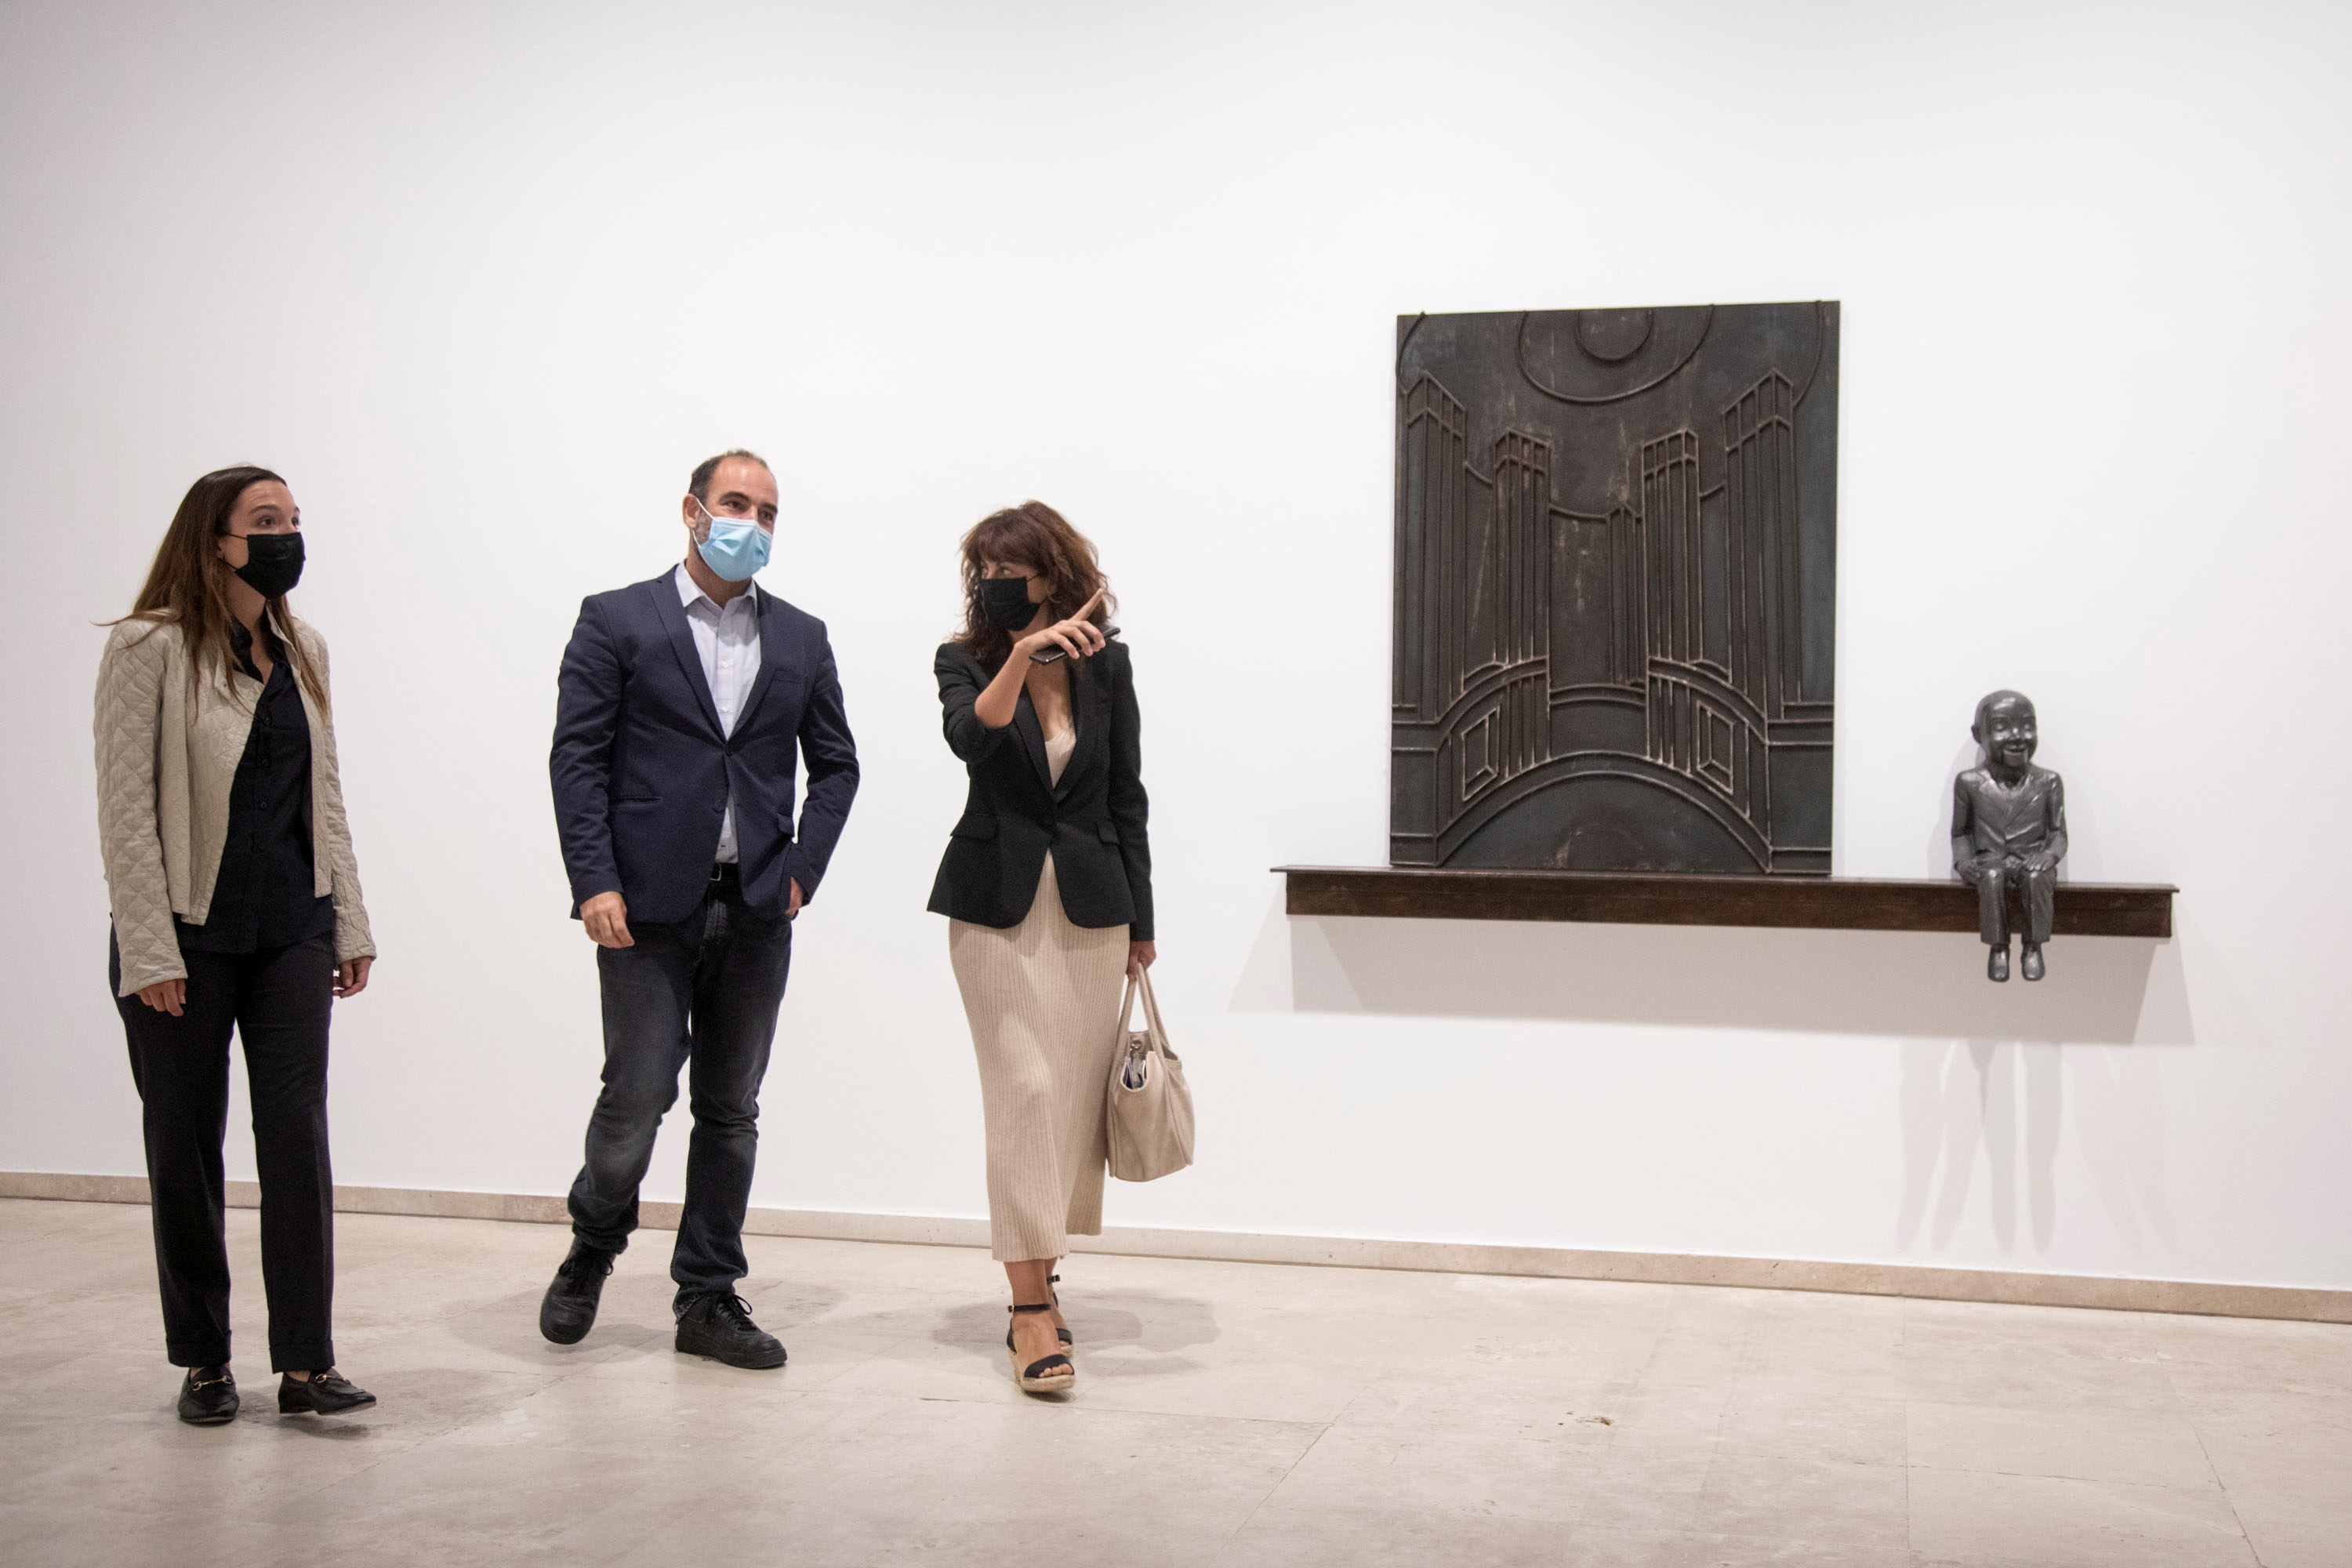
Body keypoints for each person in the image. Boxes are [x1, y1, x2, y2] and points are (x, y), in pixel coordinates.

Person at [541, 448, 858, 1369]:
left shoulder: (801, 636)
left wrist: (801, 869)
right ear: (692, 509)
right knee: (637, 1095)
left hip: (756, 906)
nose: (751, 522)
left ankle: (708, 1296)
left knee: (731, 1109)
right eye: (735, 503)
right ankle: (594, 1241)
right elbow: (577, 758)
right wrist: (594, 880)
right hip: (644, 906)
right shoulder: (616, 618)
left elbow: (838, 765)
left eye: (767, 511)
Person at [94, 466, 379, 1425]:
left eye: (293, 518)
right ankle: (205, 1359)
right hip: (185, 935)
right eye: (265, 520)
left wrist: (349, 920)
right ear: (215, 539)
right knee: (185, 1144)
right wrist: (148, 948)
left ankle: (306, 1362)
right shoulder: (149, 646)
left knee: (297, 1138)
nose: (286, 535)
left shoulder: (305, 648)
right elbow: (126, 809)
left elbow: (325, 797)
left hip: (292, 928)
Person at [928, 502, 1155, 1395]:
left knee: (1063, 1107)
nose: (994, 582)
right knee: (1022, 1089)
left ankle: (1044, 1277)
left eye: (1009, 569)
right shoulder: (965, 659)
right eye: (983, 569)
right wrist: (1022, 655)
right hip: (995, 910)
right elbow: (971, 740)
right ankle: (1028, 1311)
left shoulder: (1110, 667)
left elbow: (1127, 795)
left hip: (1093, 910)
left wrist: (1143, 922)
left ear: (1053, 572)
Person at [1951, 689, 2067, 982]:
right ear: (1978, 734)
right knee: (1992, 877)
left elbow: (2058, 833)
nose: (2017, 736)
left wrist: (2049, 855)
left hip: (2032, 860)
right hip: (1991, 862)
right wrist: (1963, 862)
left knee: (2036, 877)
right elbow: (1961, 833)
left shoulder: (2049, 782)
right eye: (2002, 726)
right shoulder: (1969, 783)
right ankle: (1998, 948)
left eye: (2027, 726)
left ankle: (2033, 947)